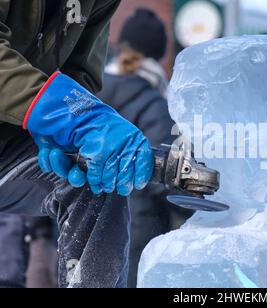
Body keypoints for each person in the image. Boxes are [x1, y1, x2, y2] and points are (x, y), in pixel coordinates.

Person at [0, 1, 154, 288]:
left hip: (11, 145)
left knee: (96, 173)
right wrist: (68, 114)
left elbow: (79, 70)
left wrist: (57, 131)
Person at [97, 8, 193, 288]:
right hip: (135, 230)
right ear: (158, 55)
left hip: (83, 223)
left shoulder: (90, 94)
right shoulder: (153, 103)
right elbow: (167, 175)